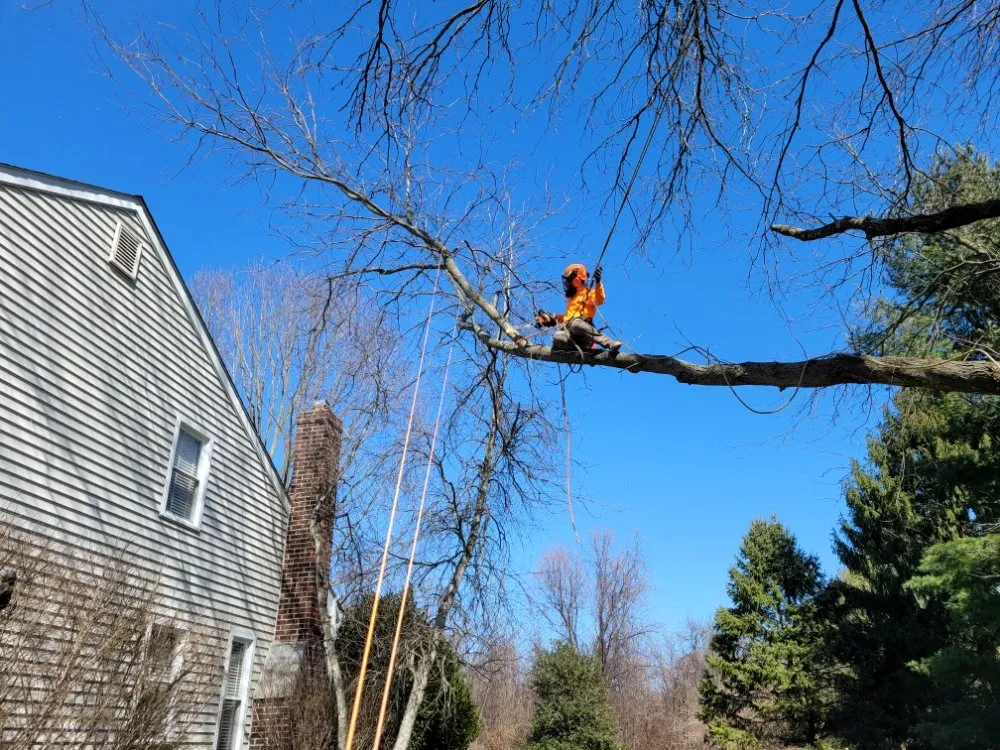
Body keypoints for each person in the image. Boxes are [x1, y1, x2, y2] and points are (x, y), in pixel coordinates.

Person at [535, 263, 622, 354]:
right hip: (571, 334)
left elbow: (600, 299)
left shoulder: (589, 293)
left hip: (583, 332)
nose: (567, 283)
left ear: (576, 280)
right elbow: (566, 317)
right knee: (557, 336)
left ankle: (609, 343)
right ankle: (574, 351)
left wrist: (598, 282)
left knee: (576, 324)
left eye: (568, 281)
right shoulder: (571, 299)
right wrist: (550, 318)